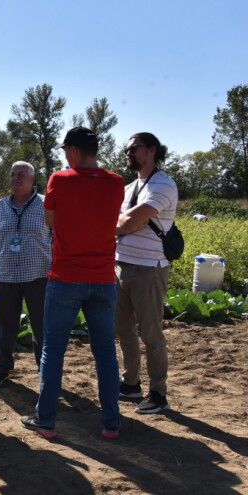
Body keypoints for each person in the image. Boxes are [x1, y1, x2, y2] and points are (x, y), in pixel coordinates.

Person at [20, 127, 124, 439]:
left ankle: (46, 420)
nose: (64, 155)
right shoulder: (117, 181)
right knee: (105, 351)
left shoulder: (59, 179)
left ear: (75, 151)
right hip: (104, 277)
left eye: (66, 150)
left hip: (66, 277)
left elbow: (50, 221)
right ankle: (112, 422)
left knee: (54, 348)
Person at [114, 132, 178, 414]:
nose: (128, 153)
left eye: (134, 148)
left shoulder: (163, 184)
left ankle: (158, 393)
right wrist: (121, 223)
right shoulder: (130, 188)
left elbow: (129, 221)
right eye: (127, 149)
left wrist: (118, 223)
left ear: (151, 150)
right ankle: (131, 384)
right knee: (123, 330)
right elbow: (122, 221)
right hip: (121, 267)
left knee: (151, 333)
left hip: (149, 269)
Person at [0, 161, 51, 386]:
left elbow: (59, 239)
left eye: (21, 174)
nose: (15, 178)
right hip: (5, 276)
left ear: (32, 179)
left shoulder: (46, 205)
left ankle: (45, 371)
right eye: (12, 175)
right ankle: (2, 368)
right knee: (5, 325)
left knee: (42, 327)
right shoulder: (0, 207)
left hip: (38, 275)